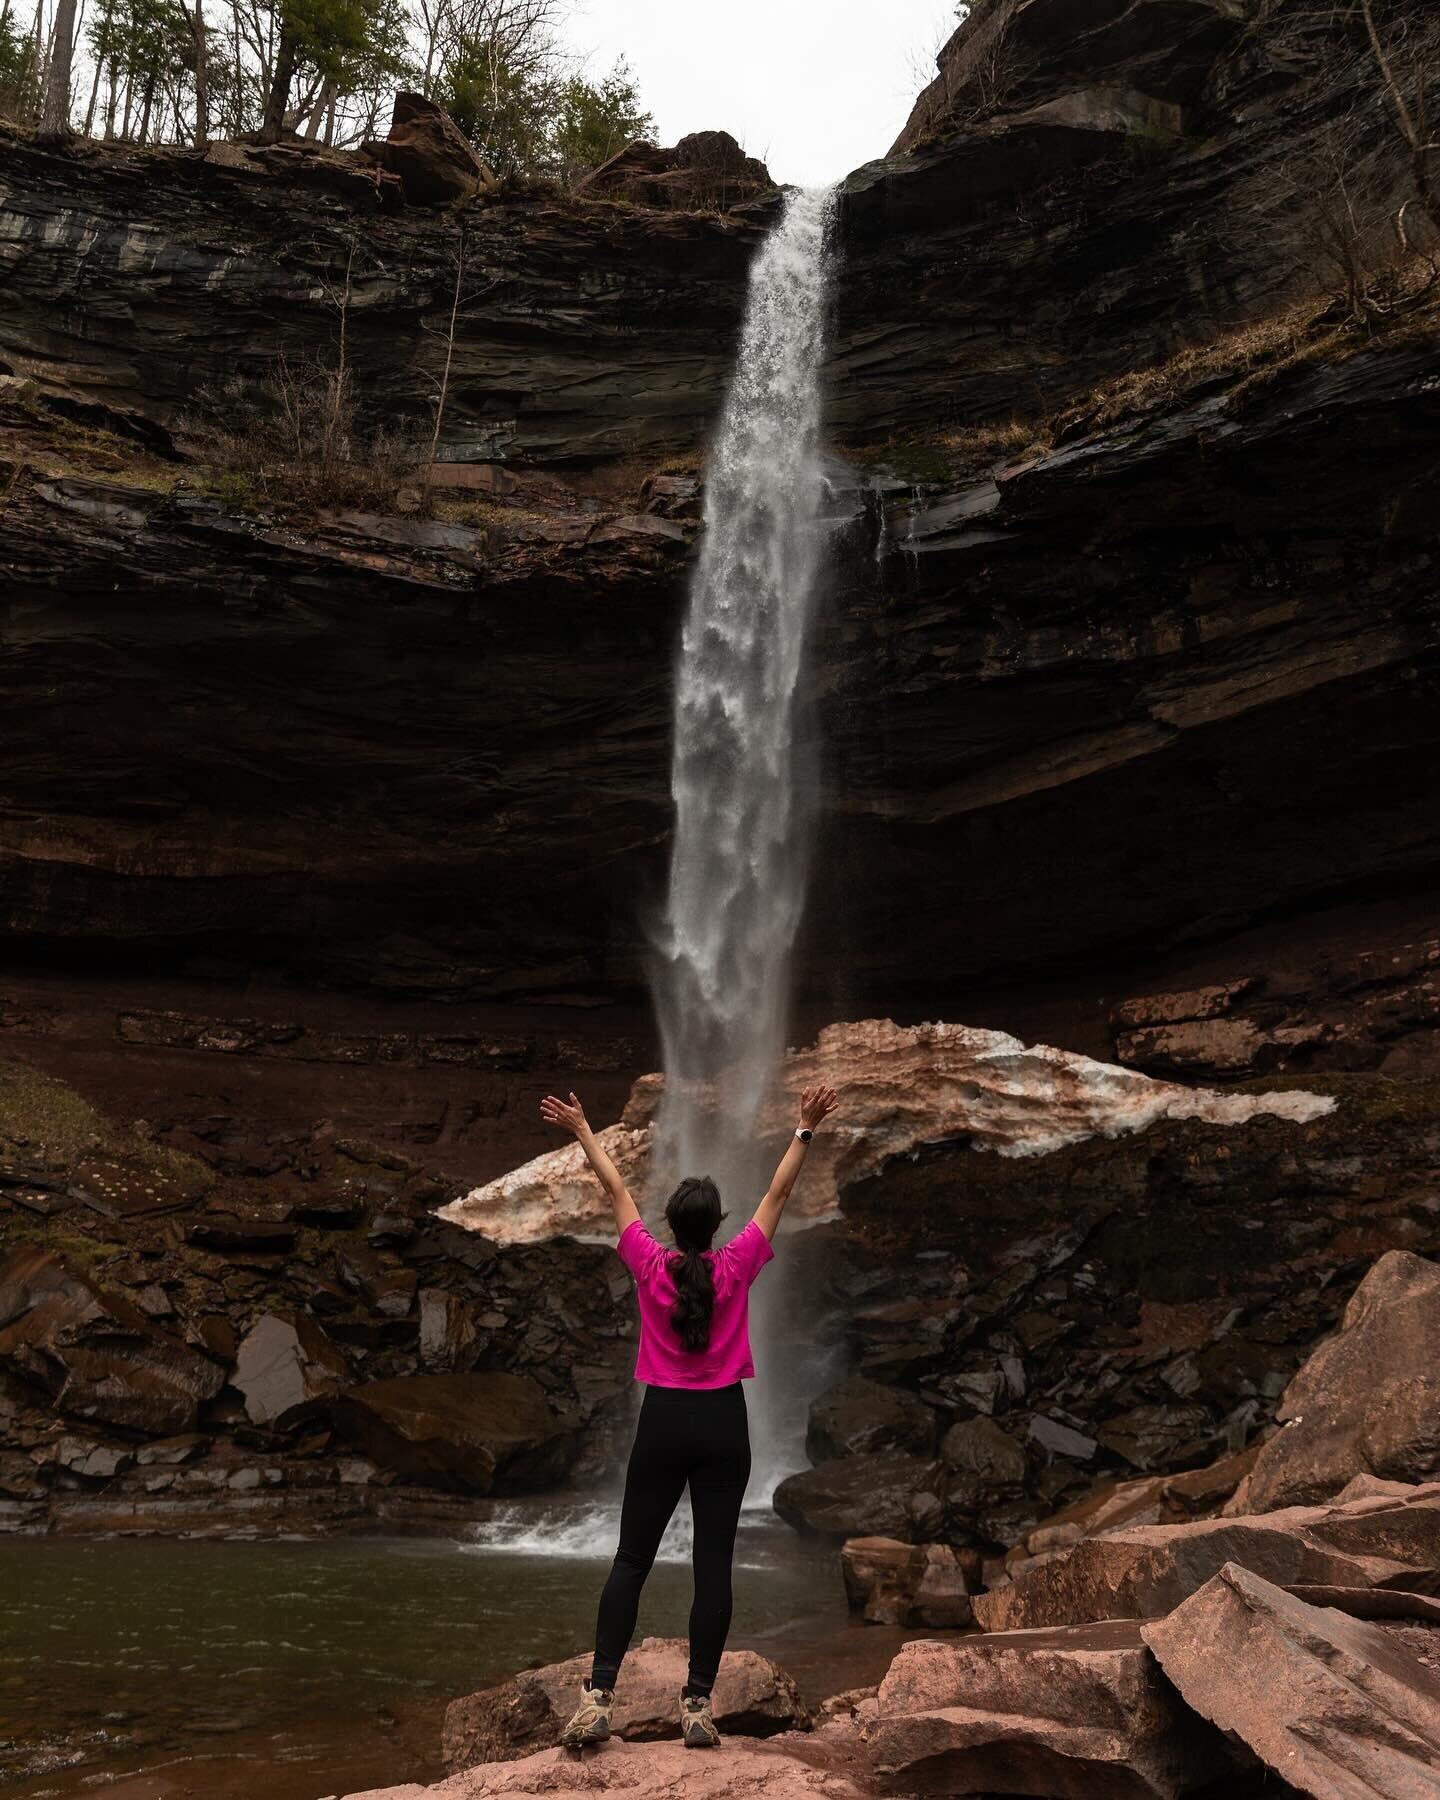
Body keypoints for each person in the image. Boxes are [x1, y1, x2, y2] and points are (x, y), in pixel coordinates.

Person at [537, 1080, 840, 1753]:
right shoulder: (735, 1266)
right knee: (713, 1567)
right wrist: (804, 1128)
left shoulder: (649, 1263)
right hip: (725, 1428)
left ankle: (600, 1697)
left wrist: (584, 1130)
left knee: (631, 1559)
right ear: (717, 1225)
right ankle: (698, 1707)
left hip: (664, 1423)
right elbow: (779, 1196)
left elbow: (616, 1193)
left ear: (671, 1226)